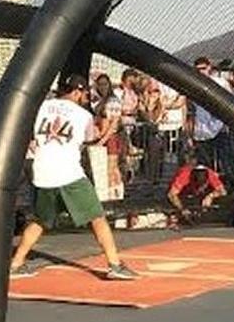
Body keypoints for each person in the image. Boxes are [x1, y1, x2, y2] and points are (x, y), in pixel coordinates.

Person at [8, 74, 137, 280]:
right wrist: (108, 127)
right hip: (68, 173)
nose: (84, 96)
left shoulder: (42, 107)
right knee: (97, 217)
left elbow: (30, 132)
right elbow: (91, 139)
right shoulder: (82, 114)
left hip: (41, 170)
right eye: (83, 93)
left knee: (41, 220)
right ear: (77, 91)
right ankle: (115, 264)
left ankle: (16, 264)